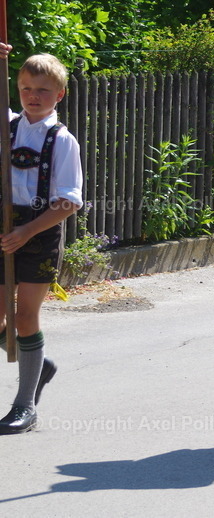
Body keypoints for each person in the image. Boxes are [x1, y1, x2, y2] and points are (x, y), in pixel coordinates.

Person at [0, 51, 83, 434]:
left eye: (43, 90)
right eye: (26, 88)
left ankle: (25, 406)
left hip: (40, 232)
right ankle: (39, 363)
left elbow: (68, 200)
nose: (33, 96)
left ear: (60, 94)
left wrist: (27, 231)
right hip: (4, 229)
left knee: (24, 317)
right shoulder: (7, 126)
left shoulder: (62, 140)